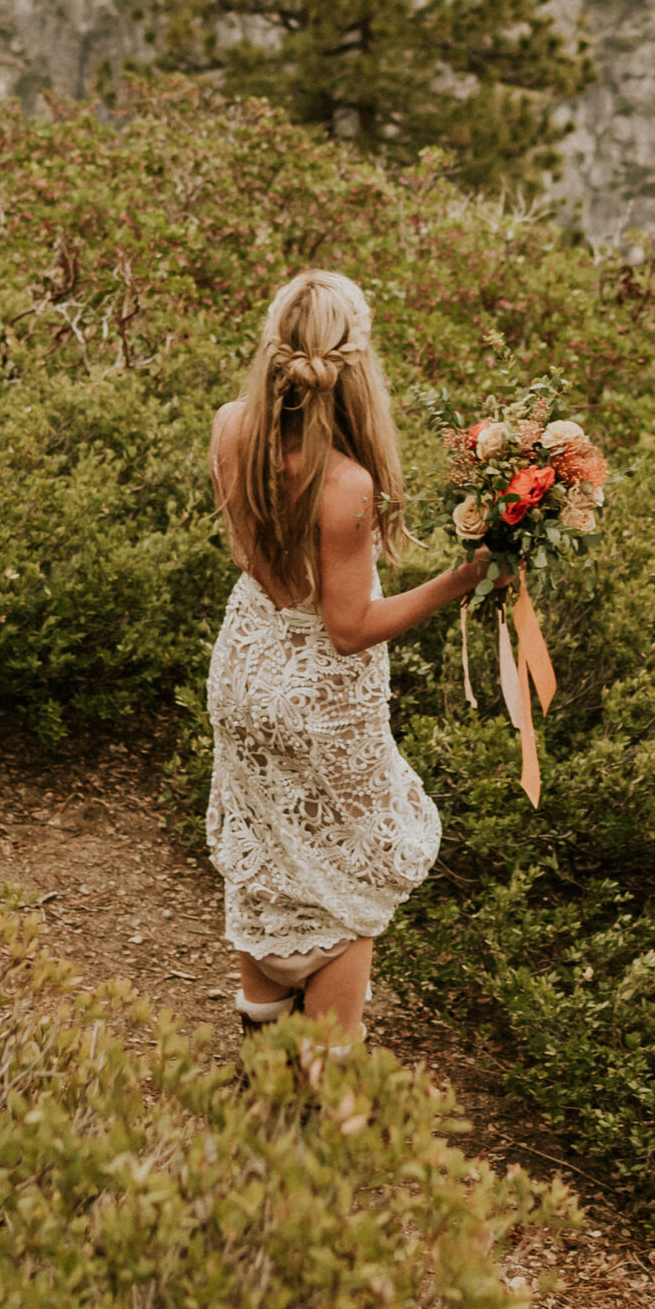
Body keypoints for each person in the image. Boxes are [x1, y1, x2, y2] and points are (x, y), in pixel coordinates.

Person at [205, 268, 481, 1041]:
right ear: (353, 367)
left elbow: (259, 564)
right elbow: (349, 626)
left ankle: (264, 1032)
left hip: (245, 663)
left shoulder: (231, 426)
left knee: (269, 843)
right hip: (320, 696)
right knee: (346, 867)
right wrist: (463, 577)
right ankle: (328, 1087)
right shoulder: (345, 483)